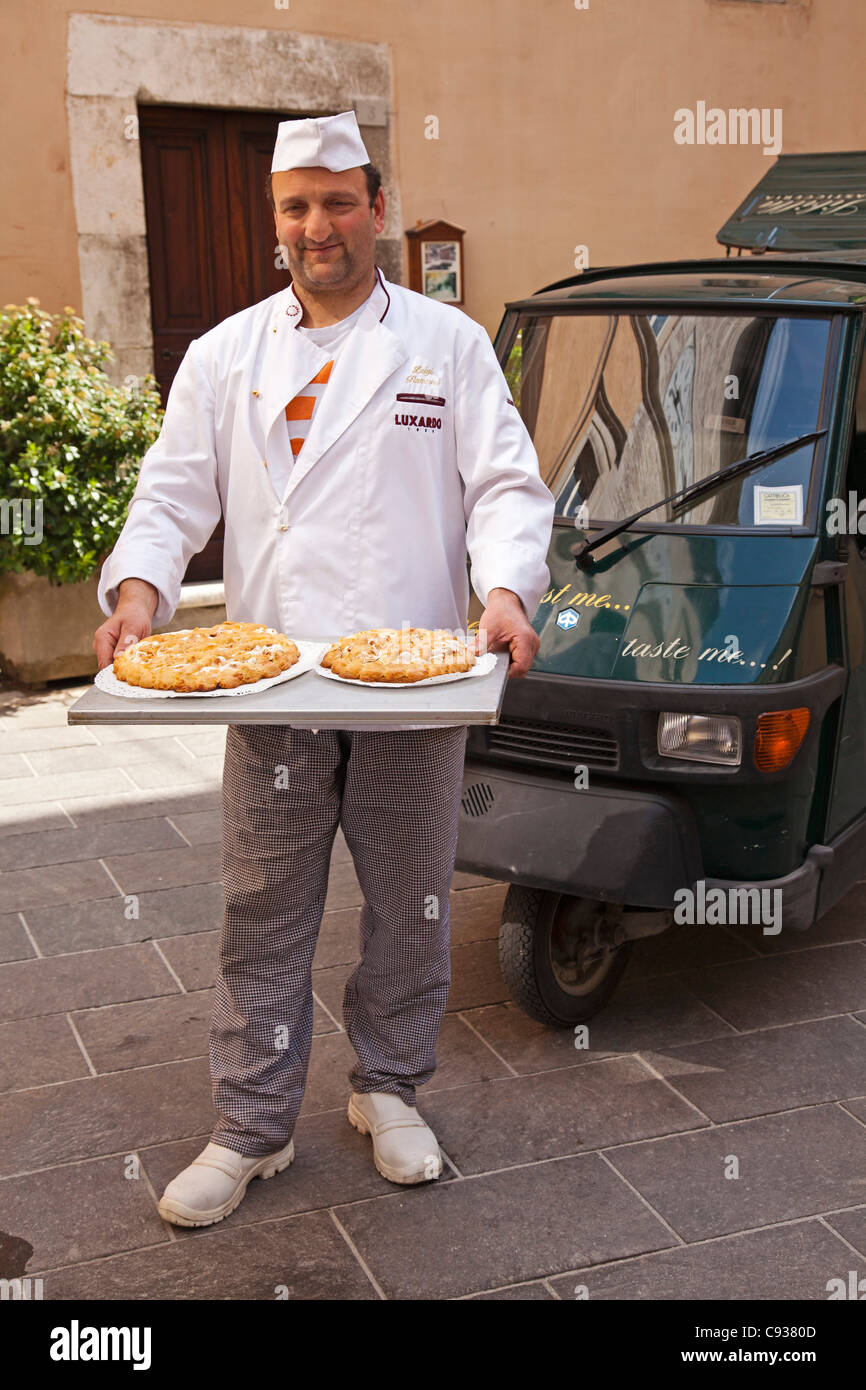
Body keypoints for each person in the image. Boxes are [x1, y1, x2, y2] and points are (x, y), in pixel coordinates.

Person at [93, 110, 554, 1228]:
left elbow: (501, 483)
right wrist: (140, 590)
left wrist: (503, 590)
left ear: (377, 211)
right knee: (262, 908)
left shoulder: (444, 345)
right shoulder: (223, 355)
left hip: (413, 677)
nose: (317, 225)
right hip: (275, 687)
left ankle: (388, 1088)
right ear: (275, 223)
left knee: (411, 902)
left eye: (338, 202)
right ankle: (250, 1126)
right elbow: (171, 494)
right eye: (295, 206)